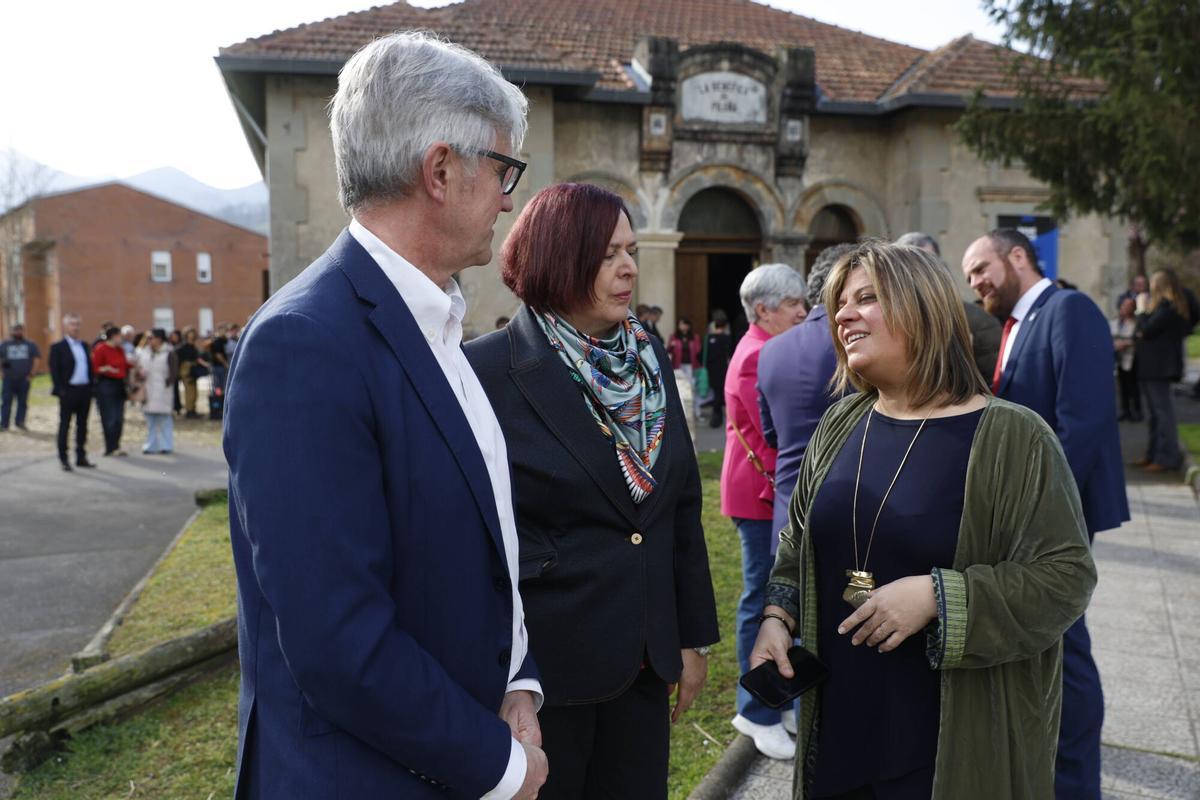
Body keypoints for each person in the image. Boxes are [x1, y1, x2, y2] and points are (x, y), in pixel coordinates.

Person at [223, 31, 548, 799]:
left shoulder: (434, 322)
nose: (509, 198)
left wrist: (516, 679)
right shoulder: (306, 344)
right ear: (441, 170)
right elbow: (339, 642)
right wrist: (501, 765)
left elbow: (475, 552)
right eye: (503, 170)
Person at [753, 241, 1097, 799]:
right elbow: (797, 540)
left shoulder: (1015, 437)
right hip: (839, 727)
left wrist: (939, 597)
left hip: (946, 747)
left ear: (922, 309)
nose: (842, 316)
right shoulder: (841, 422)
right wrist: (777, 616)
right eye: (840, 304)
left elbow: (1065, 577)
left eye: (866, 298)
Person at [465, 182, 719, 799]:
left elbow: (680, 504)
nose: (628, 267)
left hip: (646, 660)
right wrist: (504, 674)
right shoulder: (486, 370)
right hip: (548, 671)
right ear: (558, 259)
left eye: (631, 251)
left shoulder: (648, 358)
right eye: (608, 255)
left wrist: (690, 636)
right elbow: (473, 537)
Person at [962, 228, 1127, 800]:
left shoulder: (1069, 309)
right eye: (970, 276)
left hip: (1055, 515)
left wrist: (1040, 511)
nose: (976, 283)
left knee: (1066, 645)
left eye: (981, 268)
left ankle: (1076, 784)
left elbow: (1083, 422)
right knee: (1051, 645)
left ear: (1018, 256)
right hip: (1031, 509)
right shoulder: (1017, 324)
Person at [720, 261, 807, 759]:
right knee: (761, 601)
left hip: (760, 491)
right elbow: (777, 436)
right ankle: (756, 711)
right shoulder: (759, 353)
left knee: (774, 598)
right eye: (792, 304)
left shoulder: (760, 346)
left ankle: (778, 696)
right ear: (763, 309)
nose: (802, 312)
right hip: (759, 495)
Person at [757, 243, 855, 545]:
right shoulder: (855, 344)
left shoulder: (770, 350)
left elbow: (770, 434)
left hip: (788, 516)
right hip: (849, 515)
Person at [895, 231, 1001, 381]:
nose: (921, 272)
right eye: (909, 265)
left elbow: (992, 383)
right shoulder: (886, 321)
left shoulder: (979, 322)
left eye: (928, 262)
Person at [1133, 270, 1192, 472]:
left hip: (1159, 368)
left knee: (1162, 413)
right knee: (1155, 415)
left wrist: (1140, 311)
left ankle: (1167, 457)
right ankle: (1153, 454)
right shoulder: (1163, 307)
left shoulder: (1168, 307)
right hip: (1153, 367)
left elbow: (1147, 330)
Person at [48, 313, 96, 471]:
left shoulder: (84, 345)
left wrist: (91, 388)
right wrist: (61, 390)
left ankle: (81, 456)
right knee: (65, 425)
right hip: (68, 391)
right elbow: (54, 371)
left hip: (84, 391)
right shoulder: (58, 347)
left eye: (77, 324)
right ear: (65, 326)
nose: (75, 327)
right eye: (72, 324)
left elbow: (89, 368)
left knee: (82, 425)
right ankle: (63, 458)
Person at [136, 329, 177, 455]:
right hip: (148, 389)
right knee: (150, 419)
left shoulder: (169, 353)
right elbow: (139, 367)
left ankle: (166, 445)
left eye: (151, 338)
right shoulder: (145, 352)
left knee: (164, 418)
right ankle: (151, 445)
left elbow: (174, 372)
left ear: (159, 339)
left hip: (163, 389)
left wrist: (167, 383)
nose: (149, 341)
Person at [92, 326, 130, 456]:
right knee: (109, 417)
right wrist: (106, 369)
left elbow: (124, 365)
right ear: (113, 336)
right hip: (106, 385)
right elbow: (95, 368)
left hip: (119, 385)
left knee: (119, 418)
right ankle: (109, 447)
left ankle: (116, 446)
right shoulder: (101, 348)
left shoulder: (120, 350)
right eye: (120, 336)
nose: (121, 339)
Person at [1, 323, 40, 431]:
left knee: (22, 402)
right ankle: (4, 424)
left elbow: (36, 359)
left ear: (23, 331)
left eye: (20, 330)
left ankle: (20, 422)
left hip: (24, 378)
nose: (18, 332)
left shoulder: (30, 344)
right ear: (11, 331)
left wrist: (32, 373)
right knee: (6, 402)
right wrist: (1, 372)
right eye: (15, 330)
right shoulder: (5, 344)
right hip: (8, 379)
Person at [1111, 296, 1141, 421]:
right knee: (1122, 386)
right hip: (1118, 358)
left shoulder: (1137, 323)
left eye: (1129, 306)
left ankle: (1137, 411)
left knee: (1133, 386)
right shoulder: (1115, 321)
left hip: (1132, 358)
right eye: (1124, 305)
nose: (1125, 308)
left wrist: (1125, 343)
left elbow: (1138, 338)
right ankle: (1125, 410)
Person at [704, 310, 732, 428]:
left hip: (711, 369)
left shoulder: (708, 338)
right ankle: (717, 416)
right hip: (723, 369)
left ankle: (717, 416)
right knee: (719, 393)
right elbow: (730, 354)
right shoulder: (727, 338)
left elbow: (702, 355)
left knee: (716, 392)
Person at [176, 327, 205, 418]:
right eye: (190, 333)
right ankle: (189, 410)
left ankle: (193, 409)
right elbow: (179, 360)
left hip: (193, 369)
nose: (192, 335)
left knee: (195, 391)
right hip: (186, 370)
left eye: (193, 333)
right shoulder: (182, 347)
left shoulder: (193, 346)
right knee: (189, 391)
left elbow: (197, 358)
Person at [667, 315, 701, 380]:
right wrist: (671, 345)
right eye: (680, 324)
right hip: (677, 364)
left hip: (690, 363)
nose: (682, 326)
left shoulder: (695, 337)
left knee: (690, 381)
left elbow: (698, 351)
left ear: (688, 325)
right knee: (679, 381)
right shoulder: (674, 337)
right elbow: (668, 350)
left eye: (684, 324)